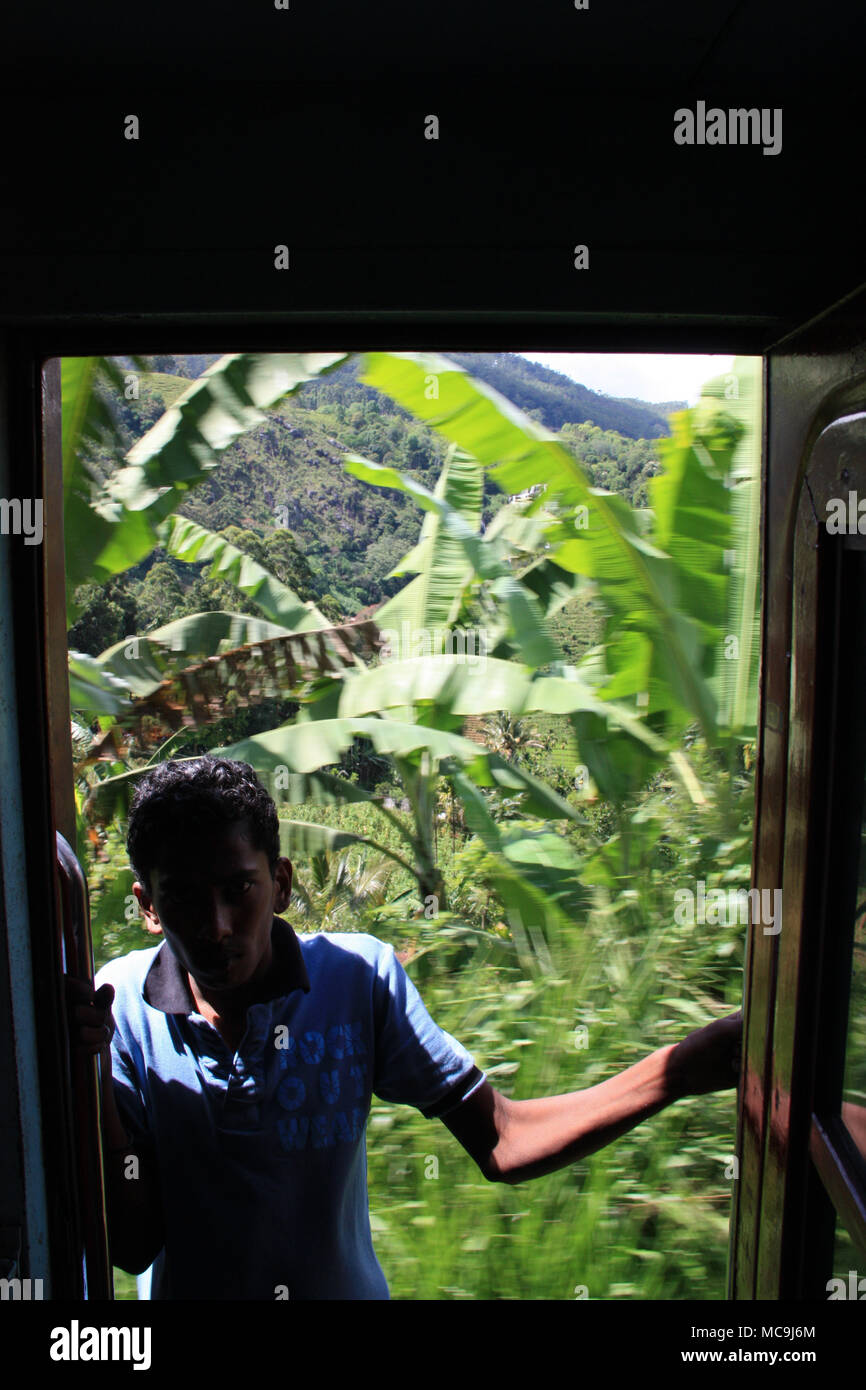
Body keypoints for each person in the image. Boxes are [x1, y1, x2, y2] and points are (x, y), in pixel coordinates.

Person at [67, 756, 742, 1301]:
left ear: (281, 883)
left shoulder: (357, 980)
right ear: (148, 906)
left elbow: (502, 1140)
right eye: (182, 896)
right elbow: (130, 1244)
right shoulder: (120, 1006)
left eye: (237, 889)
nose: (215, 926)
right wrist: (91, 1070)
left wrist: (679, 1071)